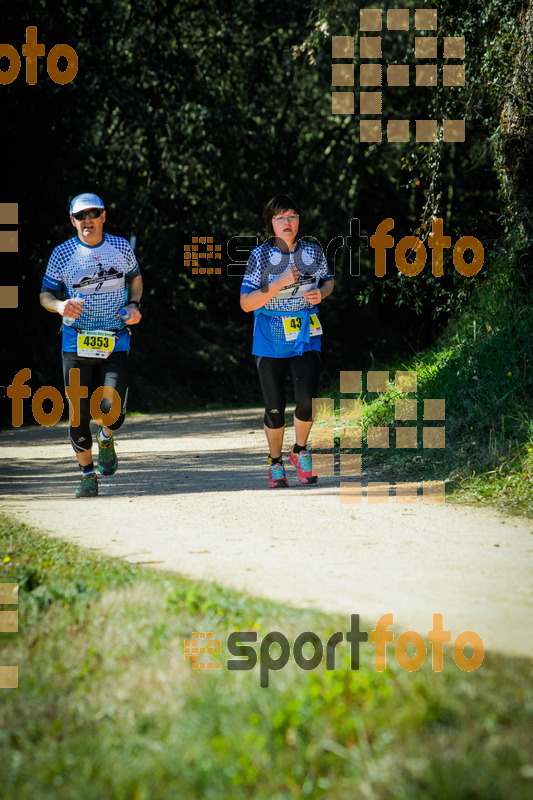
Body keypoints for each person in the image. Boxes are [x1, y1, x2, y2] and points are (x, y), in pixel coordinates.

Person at [40, 192, 142, 498]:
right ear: (72, 221)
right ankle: (87, 474)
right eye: (81, 216)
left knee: (112, 411)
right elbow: (45, 294)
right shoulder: (62, 254)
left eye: (93, 213)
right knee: (77, 413)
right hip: (75, 340)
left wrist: (134, 304)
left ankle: (107, 437)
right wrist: (59, 306)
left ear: (103, 216)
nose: (88, 220)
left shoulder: (121, 247)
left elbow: (135, 279)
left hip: (115, 338)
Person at [240, 192, 334, 487]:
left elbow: (328, 280)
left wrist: (323, 293)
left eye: (292, 215)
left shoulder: (313, 251)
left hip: (306, 334)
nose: (287, 222)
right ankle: (275, 461)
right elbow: (246, 302)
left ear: (299, 220)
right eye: (280, 217)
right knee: (275, 407)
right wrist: (278, 283)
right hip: (270, 338)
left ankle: (301, 451)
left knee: (307, 400)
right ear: (271, 222)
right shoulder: (260, 256)